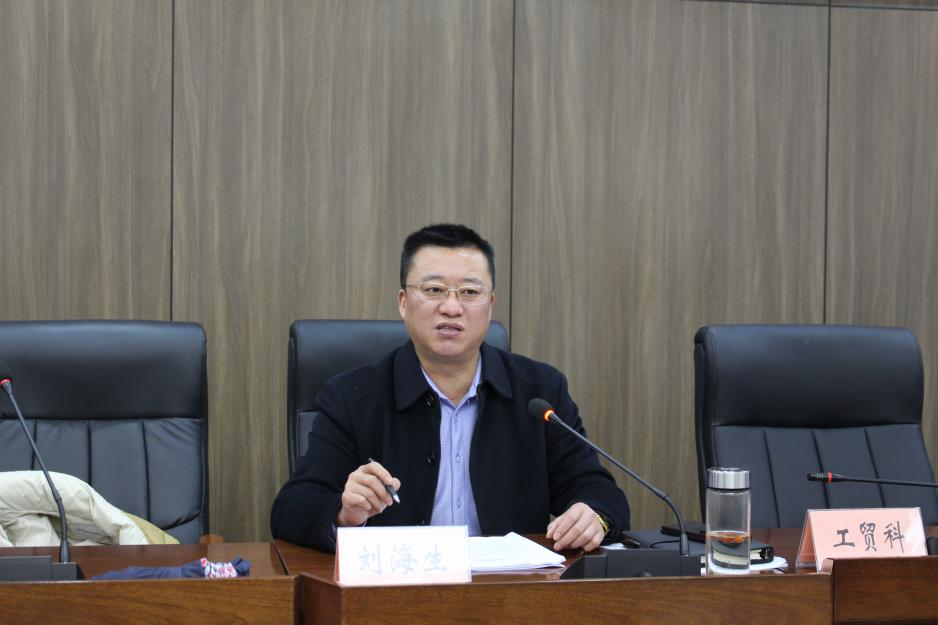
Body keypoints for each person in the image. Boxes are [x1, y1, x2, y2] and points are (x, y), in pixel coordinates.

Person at [270, 224, 629, 553]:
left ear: (490, 305)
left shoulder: (540, 392)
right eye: (434, 290)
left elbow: (600, 493)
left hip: (511, 590)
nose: (452, 307)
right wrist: (343, 512)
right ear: (403, 302)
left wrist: (594, 515)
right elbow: (292, 508)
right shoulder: (352, 397)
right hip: (398, 590)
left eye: (470, 292)